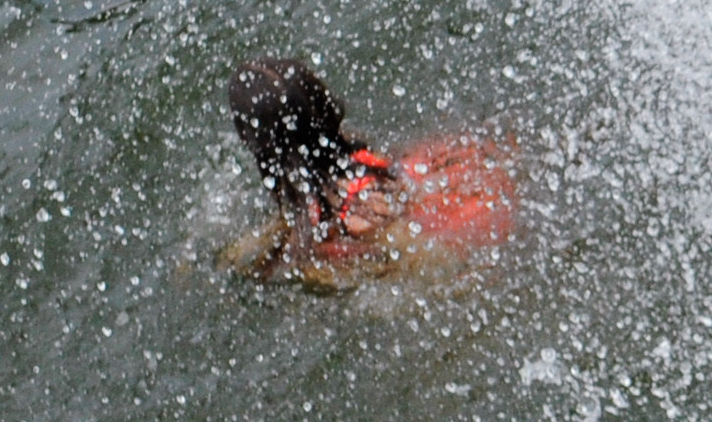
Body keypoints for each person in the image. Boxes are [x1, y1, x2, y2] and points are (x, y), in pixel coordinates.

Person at [222, 56, 519, 286]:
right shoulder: (348, 156)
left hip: (475, 221)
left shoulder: (356, 212)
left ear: (259, 145)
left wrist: (314, 273)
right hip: (462, 170)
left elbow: (426, 261)